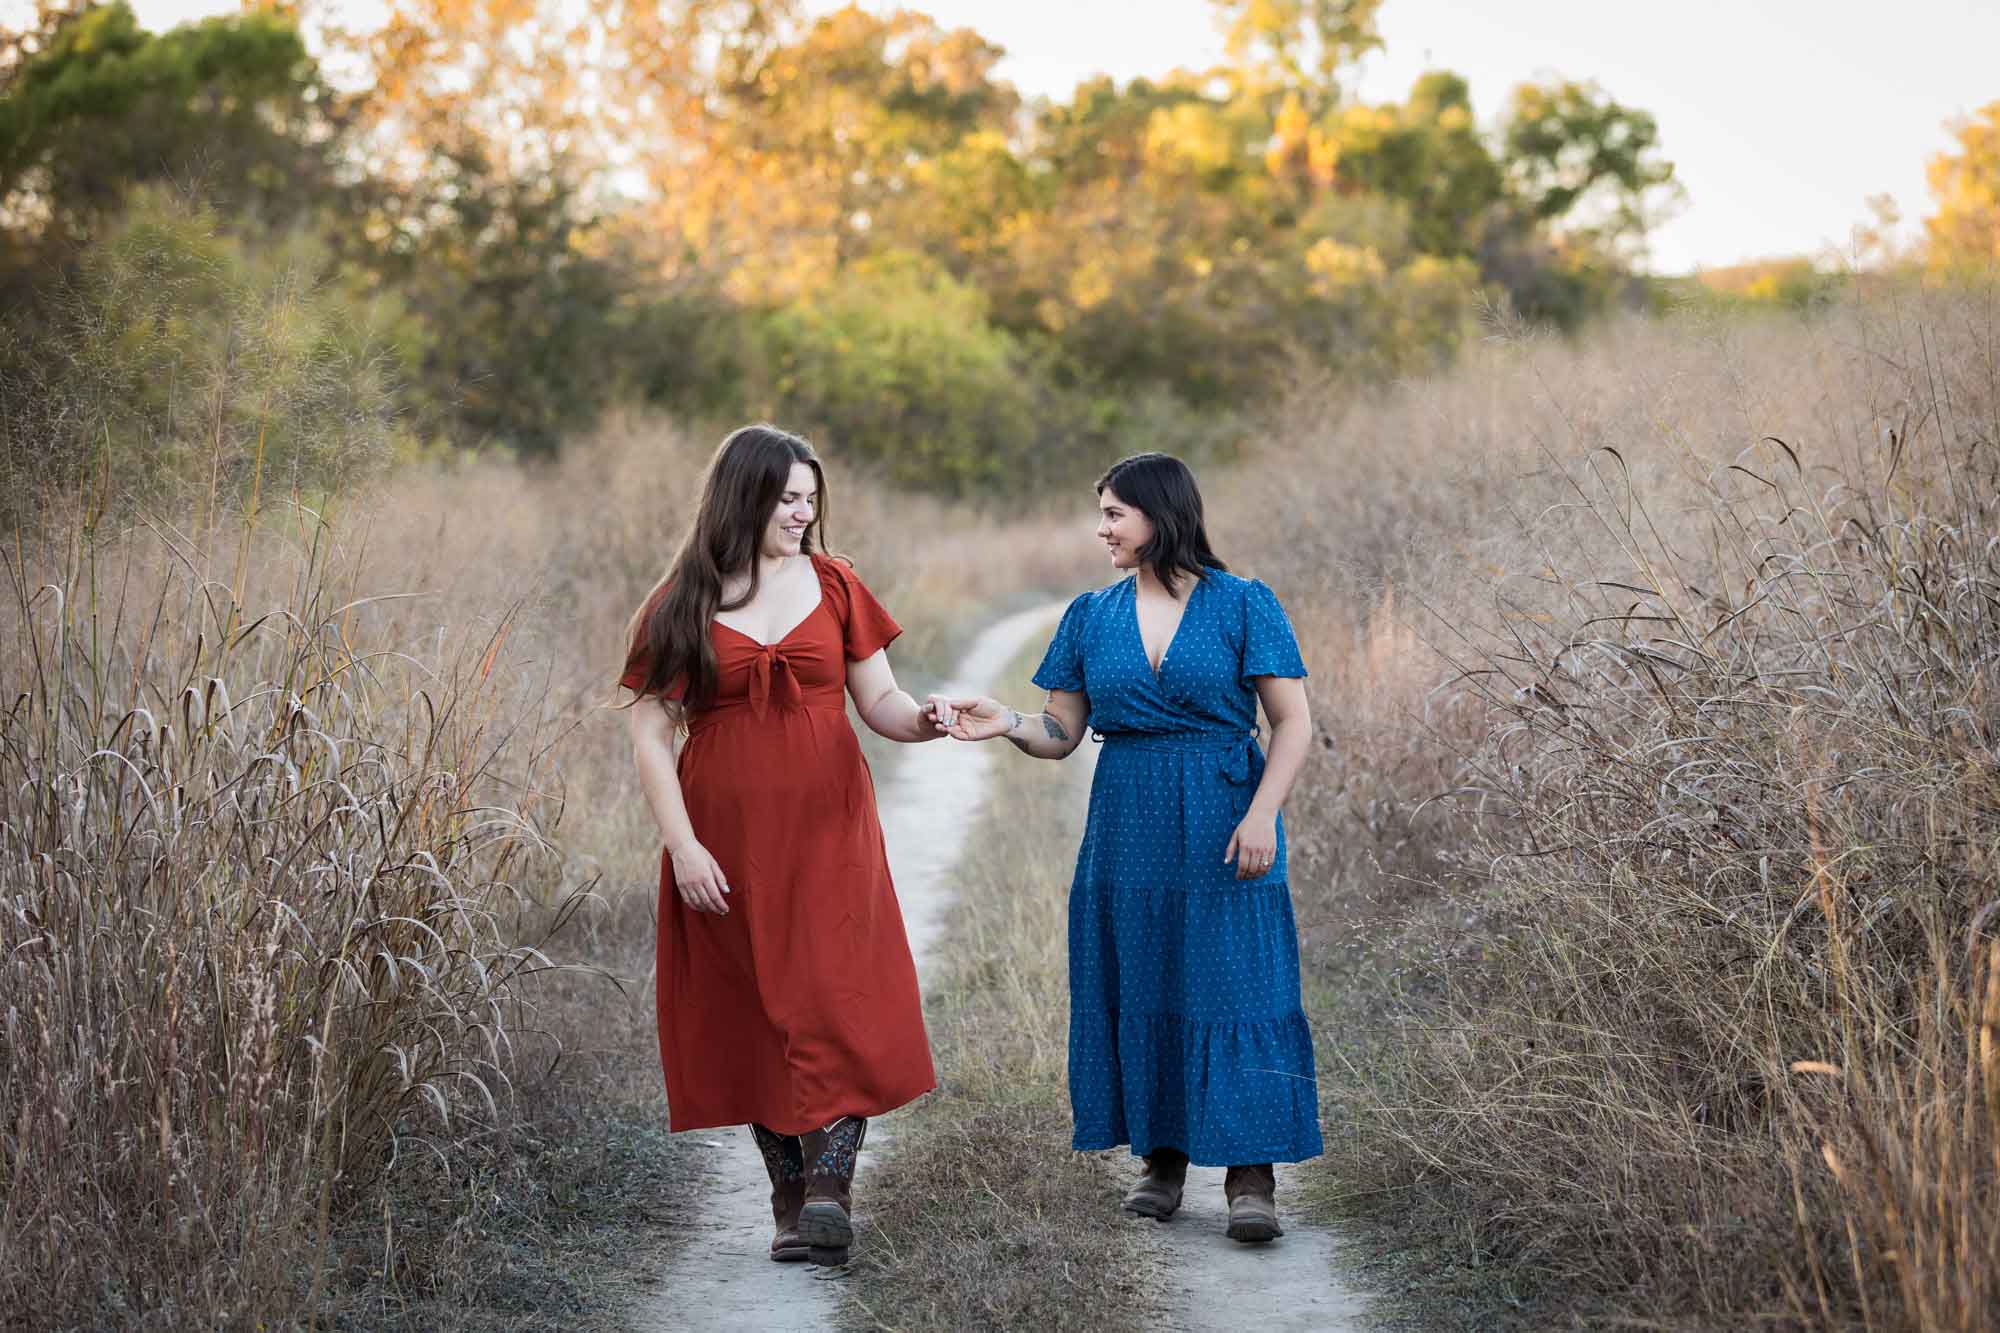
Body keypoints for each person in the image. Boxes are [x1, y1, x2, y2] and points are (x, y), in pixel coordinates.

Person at [939, 451, 1321, 1243]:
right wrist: (1006, 721)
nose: (1101, 527)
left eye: (1114, 512)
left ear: (1161, 513)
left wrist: (1261, 814)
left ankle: (1252, 1174)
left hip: (1225, 813)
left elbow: (1293, 722)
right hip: (1128, 822)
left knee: (1237, 982)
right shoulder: (1090, 614)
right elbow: (1061, 732)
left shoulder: (1244, 603)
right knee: (1146, 975)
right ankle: (1163, 1159)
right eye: (1101, 512)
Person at [618, 424, 947, 1267]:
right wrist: (683, 846)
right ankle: (789, 1197)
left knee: (841, 992)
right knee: (755, 1005)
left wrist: (930, 720)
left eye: (810, 498)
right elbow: (653, 732)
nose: (802, 512)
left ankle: (832, 1182)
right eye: (786, 498)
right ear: (743, 497)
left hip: (829, 827)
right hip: (723, 836)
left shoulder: (836, 585)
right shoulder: (682, 601)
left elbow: (881, 703)